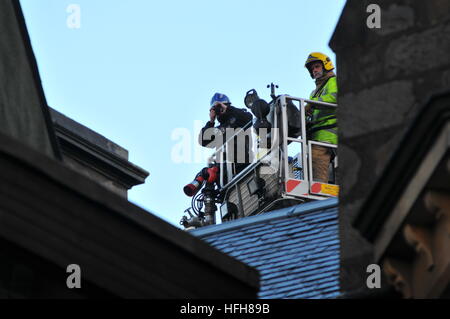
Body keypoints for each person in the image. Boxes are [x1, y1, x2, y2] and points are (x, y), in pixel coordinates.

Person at [198, 93, 253, 184]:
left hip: (243, 164)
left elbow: (248, 118)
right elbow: (203, 141)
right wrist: (211, 121)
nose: (220, 109)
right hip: (224, 172)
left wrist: (227, 108)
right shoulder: (217, 130)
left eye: (222, 106)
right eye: (216, 108)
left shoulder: (238, 117)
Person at [304, 52, 338, 183]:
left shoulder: (334, 81)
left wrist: (312, 104)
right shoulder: (314, 93)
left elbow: (335, 98)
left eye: (317, 66)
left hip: (329, 135)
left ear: (326, 65)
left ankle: (318, 195)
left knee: (317, 172)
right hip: (317, 136)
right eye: (312, 69)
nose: (314, 71)